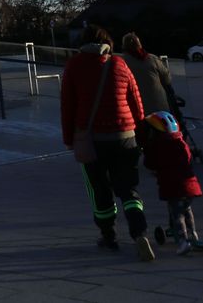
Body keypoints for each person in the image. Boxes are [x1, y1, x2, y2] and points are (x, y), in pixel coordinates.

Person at [60, 26, 153, 260]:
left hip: (92, 140)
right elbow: (136, 101)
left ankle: (108, 235)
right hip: (125, 136)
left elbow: (67, 106)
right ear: (108, 43)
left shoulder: (74, 65)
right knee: (128, 188)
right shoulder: (119, 64)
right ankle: (139, 232)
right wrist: (140, 133)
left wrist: (69, 139)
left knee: (99, 188)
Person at [140, 111, 203, 254]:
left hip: (174, 188)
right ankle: (193, 235)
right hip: (190, 187)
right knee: (187, 210)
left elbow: (149, 164)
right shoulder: (181, 142)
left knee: (177, 214)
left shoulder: (158, 147)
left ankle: (183, 241)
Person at [120, 32, 175, 118]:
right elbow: (167, 80)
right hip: (161, 110)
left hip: (137, 111)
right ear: (140, 44)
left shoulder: (121, 62)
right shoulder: (153, 59)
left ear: (124, 46)